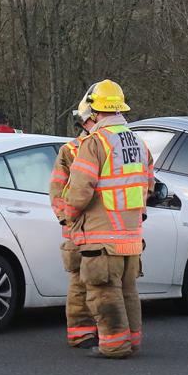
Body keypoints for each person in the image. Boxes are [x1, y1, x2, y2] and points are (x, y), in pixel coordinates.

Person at [57, 79, 153, 359]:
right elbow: (149, 185)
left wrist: (70, 216)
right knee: (128, 292)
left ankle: (114, 345)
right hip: (131, 236)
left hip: (102, 235)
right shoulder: (138, 142)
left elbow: (80, 190)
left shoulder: (96, 143)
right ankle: (131, 341)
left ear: (95, 112)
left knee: (102, 292)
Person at [50, 107, 96, 349]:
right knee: (80, 283)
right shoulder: (70, 151)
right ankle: (82, 333)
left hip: (98, 229)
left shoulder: (100, 146)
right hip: (79, 230)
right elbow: (57, 190)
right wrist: (67, 219)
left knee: (99, 283)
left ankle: (94, 331)